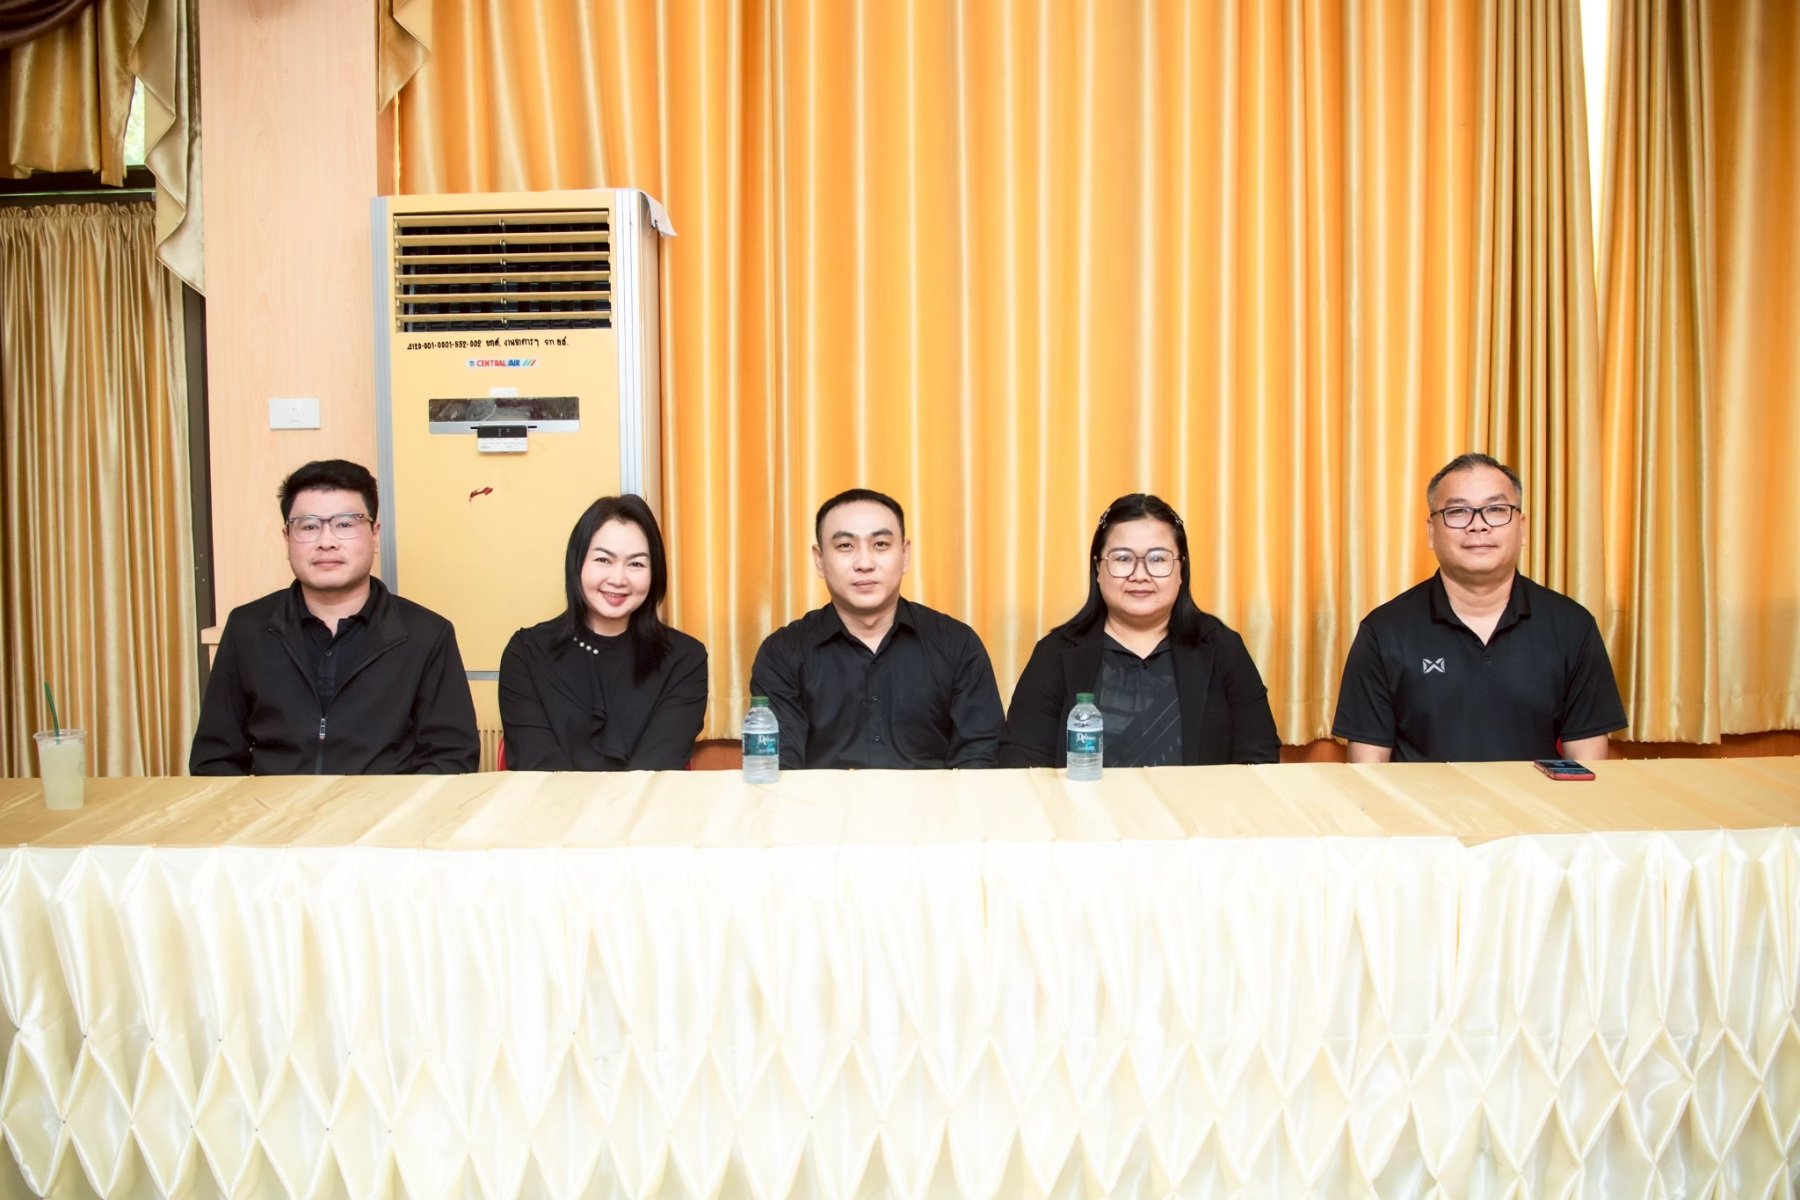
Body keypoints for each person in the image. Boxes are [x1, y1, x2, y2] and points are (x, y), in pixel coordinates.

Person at [1332, 452, 1627, 762]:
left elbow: (1586, 765)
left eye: (1496, 510)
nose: (1478, 525)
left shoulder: (1572, 627)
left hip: (1532, 796)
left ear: (1522, 528)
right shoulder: (1383, 632)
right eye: (1458, 511)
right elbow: (1368, 770)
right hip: (1423, 797)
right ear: (1431, 532)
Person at [190, 459, 479, 774]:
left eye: (344, 524)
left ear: (374, 534)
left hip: (388, 805)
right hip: (276, 805)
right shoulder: (248, 628)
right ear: (287, 538)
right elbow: (215, 758)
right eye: (309, 526)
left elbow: (450, 757)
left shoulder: (426, 634)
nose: (326, 542)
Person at [1001, 493, 1280, 768]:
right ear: (1098, 568)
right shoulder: (1055, 653)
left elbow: (1258, 758)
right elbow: (1022, 766)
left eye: (1157, 559)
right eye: (1123, 558)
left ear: (1181, 569)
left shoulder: (1223, 648)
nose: (1140, 575)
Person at [749, 488, 1005, 768]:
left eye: (880, 544)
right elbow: (779, 769)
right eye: (845, 546)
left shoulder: (958, 644)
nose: (864, 564)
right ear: (819, 560)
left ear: (905, 555)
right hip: (821, 799)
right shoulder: (782, 653)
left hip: (932, 798)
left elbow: (979, 759)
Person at [498, 495, 707, 770]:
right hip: (551, 799)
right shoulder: (526, 653)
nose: (618, 579)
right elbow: (535, 766)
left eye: (636, 564)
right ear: (577, 563)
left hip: (645, 799)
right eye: (603, 560)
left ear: (655, 572)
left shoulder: (685, 659)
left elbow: (657, 766)